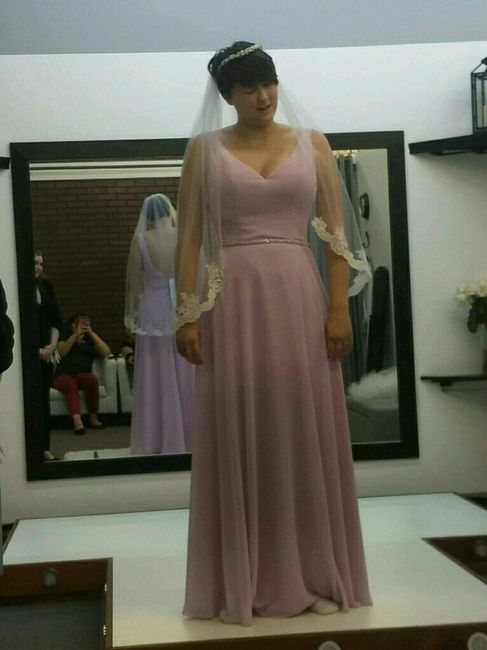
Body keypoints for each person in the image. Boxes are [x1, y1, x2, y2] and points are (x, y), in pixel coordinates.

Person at [175, 42, 372, 625]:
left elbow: (335, 237)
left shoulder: (313, 144)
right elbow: (189, 239)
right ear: (228, 96)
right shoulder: (204, 150)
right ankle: (245, 578)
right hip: (231, 301)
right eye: (249, 89)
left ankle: (313, 572)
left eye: (270, 84)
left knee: (301, 427)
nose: (263, 98)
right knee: (241, 426)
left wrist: (338, 309)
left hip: (298, 297)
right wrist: (187, 314)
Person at [124, 193, 194, 455]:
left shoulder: (141, 240)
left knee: (155, 371)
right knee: (186, 368)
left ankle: (156, 438)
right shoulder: (182, 236)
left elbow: (134, 285)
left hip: (153, 310)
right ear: (169, 211)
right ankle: (189, 436)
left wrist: (132, 318)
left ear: (148, 216)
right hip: (181, 307)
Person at [52, 314, 111, 434]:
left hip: (82, 375)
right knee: (70, 384)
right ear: (73, 325)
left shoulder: (89, 343)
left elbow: (106, 352)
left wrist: (92, 333)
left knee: (91, 380)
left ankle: (93, 418)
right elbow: (60, 353)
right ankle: (77, 422)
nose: (84, 326)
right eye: (81, 323)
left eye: (87, 324)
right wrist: (75, 336)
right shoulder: (65, 338)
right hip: (62, 376)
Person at [35, 252, 62, 459]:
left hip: (47, 351)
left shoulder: (47, 286)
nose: (38, 267)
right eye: (35, 263)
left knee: (44, 401)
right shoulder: (20, 287)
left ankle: (45, 447)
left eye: (41, 264)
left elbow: (55, 320)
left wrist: (52, 346)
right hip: (30, 353)